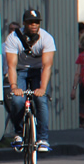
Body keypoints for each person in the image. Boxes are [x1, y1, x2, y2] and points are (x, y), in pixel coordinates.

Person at [5, 9, 56, 152]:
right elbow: (12, 66)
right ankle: (18, 133)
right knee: (17, 100)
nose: (34, 25)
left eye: (36, 22)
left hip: (38, 71)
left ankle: (43, 138)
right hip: (20, 71)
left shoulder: (46, 38)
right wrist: (14, 87)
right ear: (24, 23)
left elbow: (47, 66)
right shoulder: (13, 38)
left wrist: (42, 88)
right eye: (30, 22)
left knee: (41, 100)